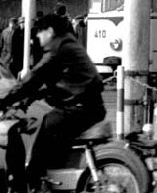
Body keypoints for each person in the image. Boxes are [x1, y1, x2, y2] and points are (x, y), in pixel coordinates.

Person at [0, 13, 106, 193]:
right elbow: (55, 82)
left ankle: (34, 182)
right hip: (90, 106)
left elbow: (34, 78)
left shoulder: (58, 49)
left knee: (43, 127)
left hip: (79, 108)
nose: (38, 37)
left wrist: (5, 100)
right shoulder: (69, 44)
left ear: (49, 31)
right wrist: (27, 99)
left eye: (40, 33)